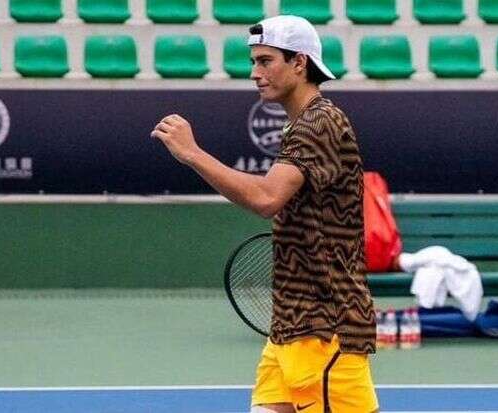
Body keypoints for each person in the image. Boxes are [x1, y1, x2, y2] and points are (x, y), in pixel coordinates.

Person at [151, 15, 378, 413]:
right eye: (254, 62)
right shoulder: (298, 126)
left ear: (299, 63)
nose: (255, 73)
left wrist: (192, 154)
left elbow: (266, 198)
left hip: (325, 327)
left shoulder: (321, 122)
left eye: (266, 61)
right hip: (290, 325)